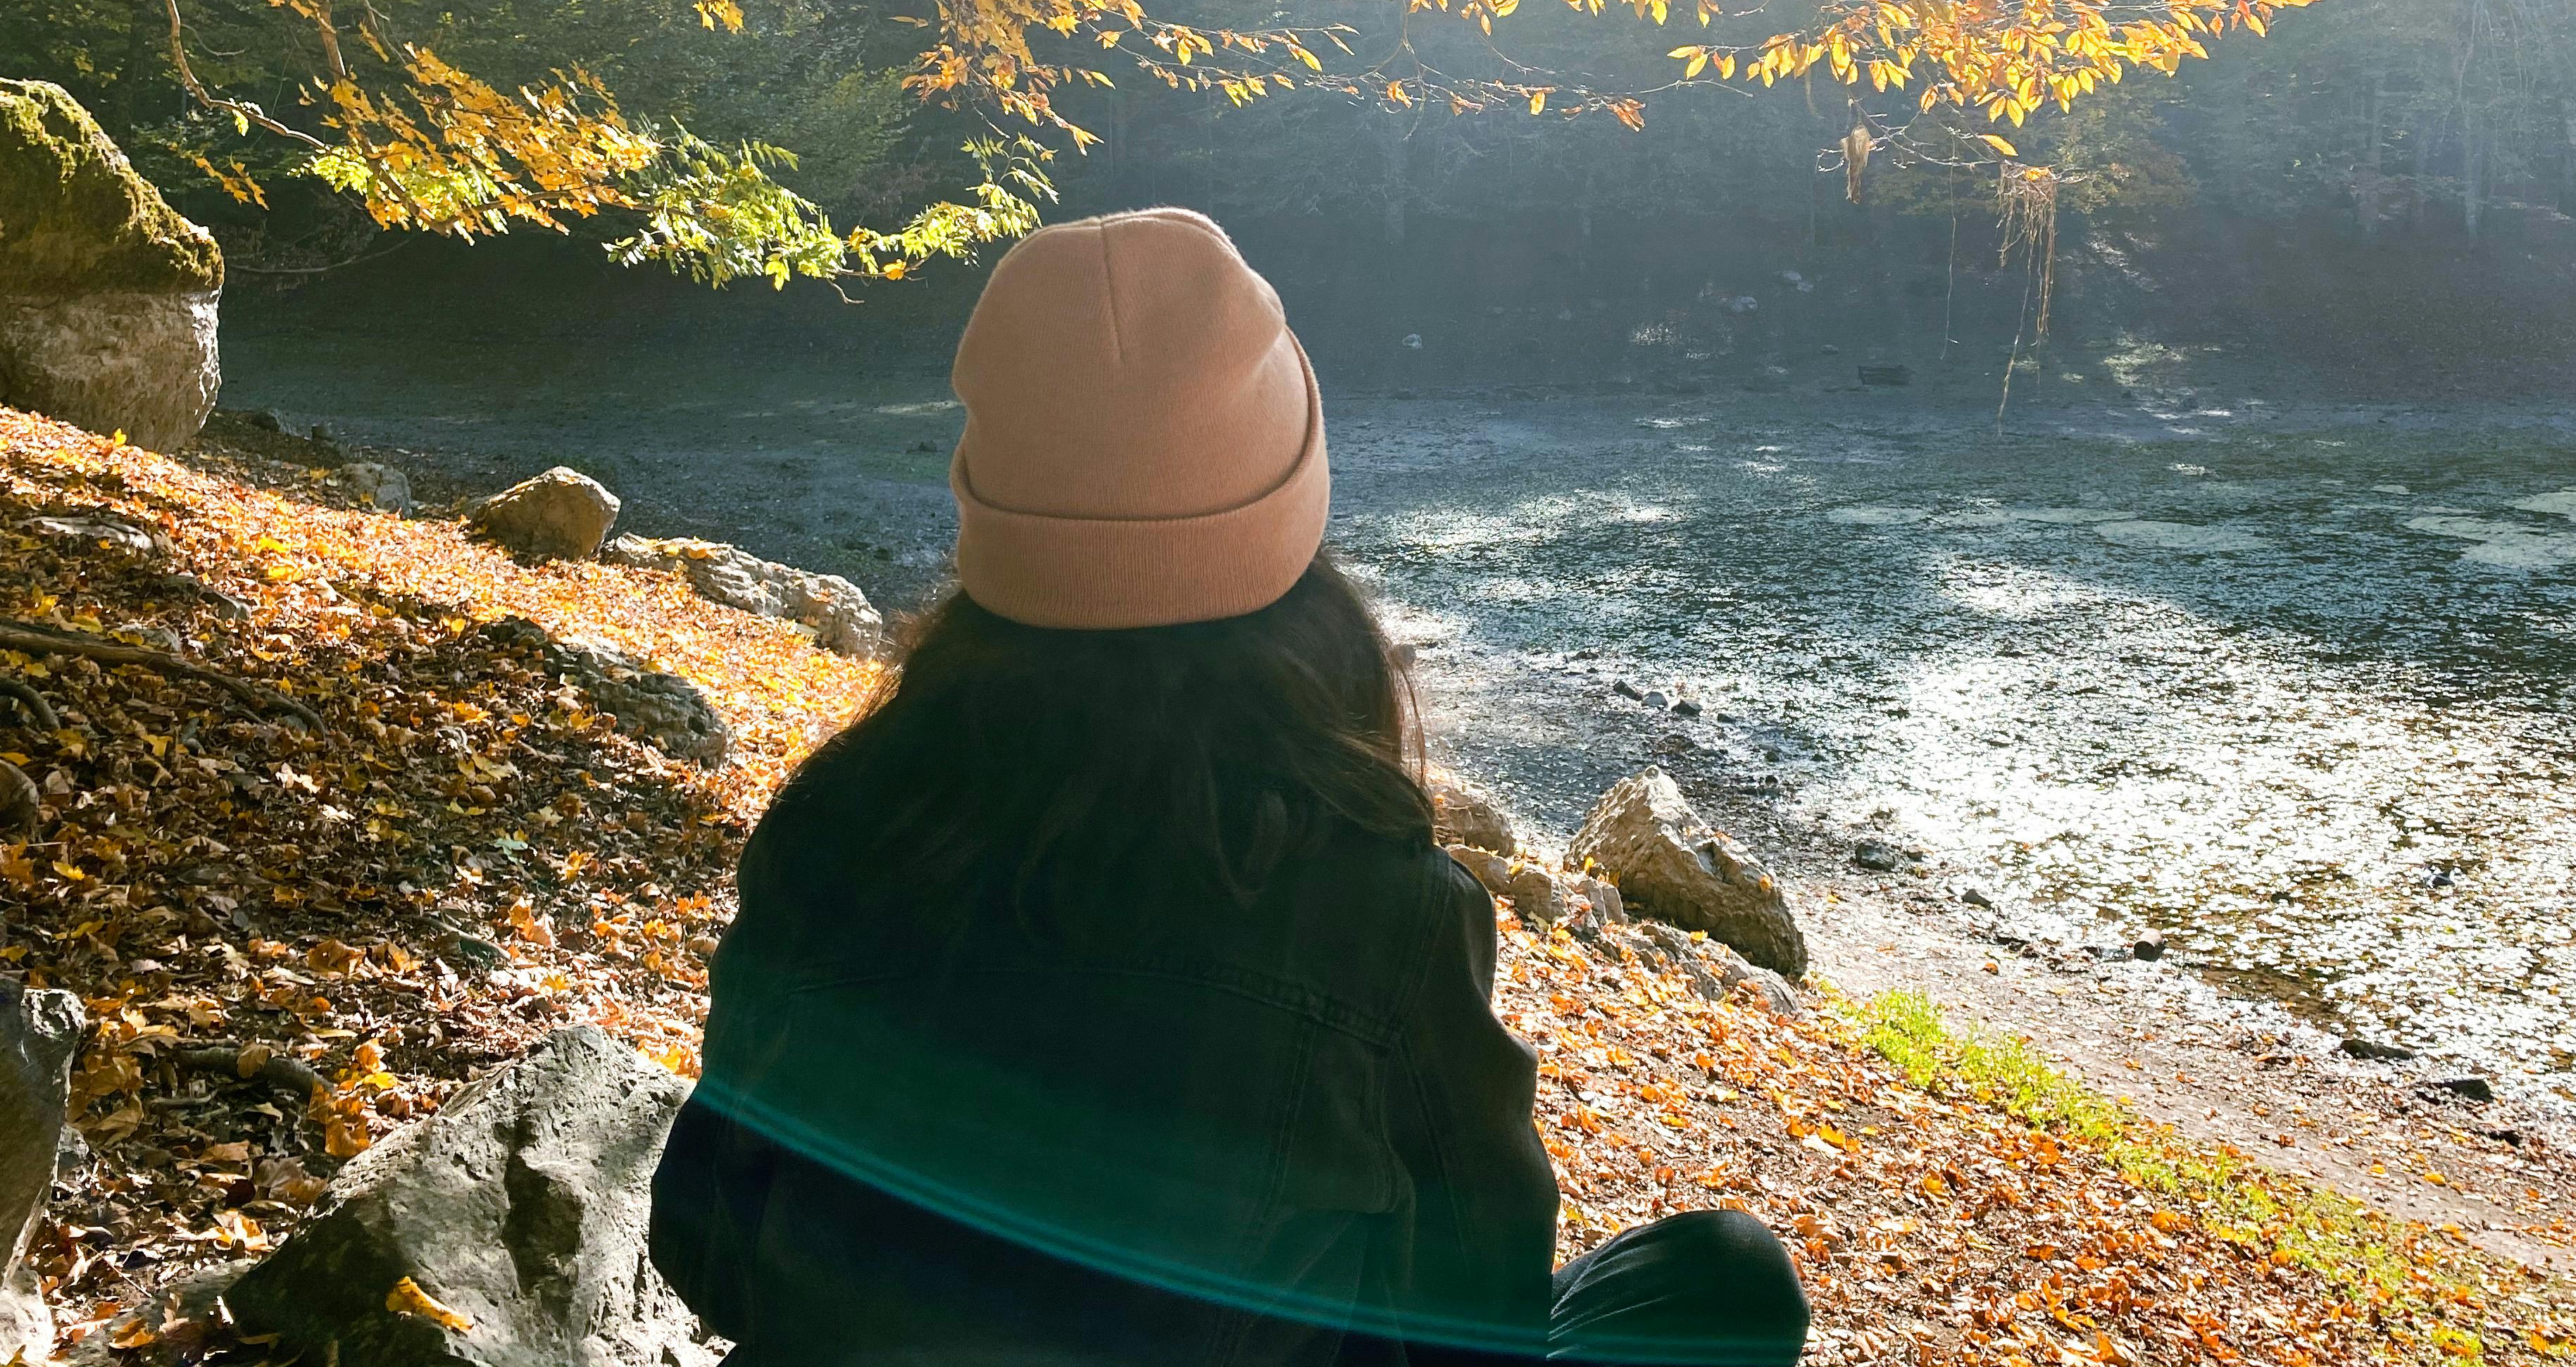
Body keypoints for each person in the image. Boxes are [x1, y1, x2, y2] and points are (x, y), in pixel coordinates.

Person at [649, 207, 1811, 1366]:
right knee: (1725, 1279)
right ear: (1291, 532)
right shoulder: (1386, 913)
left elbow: (701, 1235)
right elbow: (1475, 1324)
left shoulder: (841, 820)